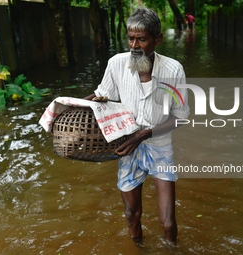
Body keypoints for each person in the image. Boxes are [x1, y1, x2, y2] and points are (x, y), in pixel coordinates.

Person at [85, 7, 189, 246]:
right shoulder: (117, 64)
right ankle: (139, 248)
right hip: (127, 146)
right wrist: (68, 107)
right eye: (131, 38)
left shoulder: (173, 70)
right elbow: (103, 96)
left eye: (142, 39)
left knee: (168, 222)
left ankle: (172, 250)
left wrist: (144, 134)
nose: (134, 45)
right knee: (132, 215)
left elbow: (180, 117)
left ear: (157, 39)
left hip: (159, 145)